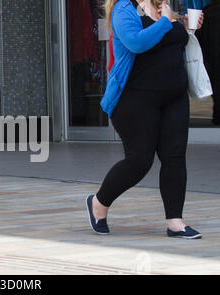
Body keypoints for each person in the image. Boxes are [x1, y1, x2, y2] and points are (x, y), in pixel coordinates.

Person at [86, 0, 204, 239]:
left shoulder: (165, 8)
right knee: (139, 161)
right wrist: (165, 21)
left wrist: (187, 25)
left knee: (174, 156)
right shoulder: (123, 9)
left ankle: (175, 221)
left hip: (174, 96)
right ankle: (99, 202)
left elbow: (171, 40)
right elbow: (137, 42)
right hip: (135, 98)